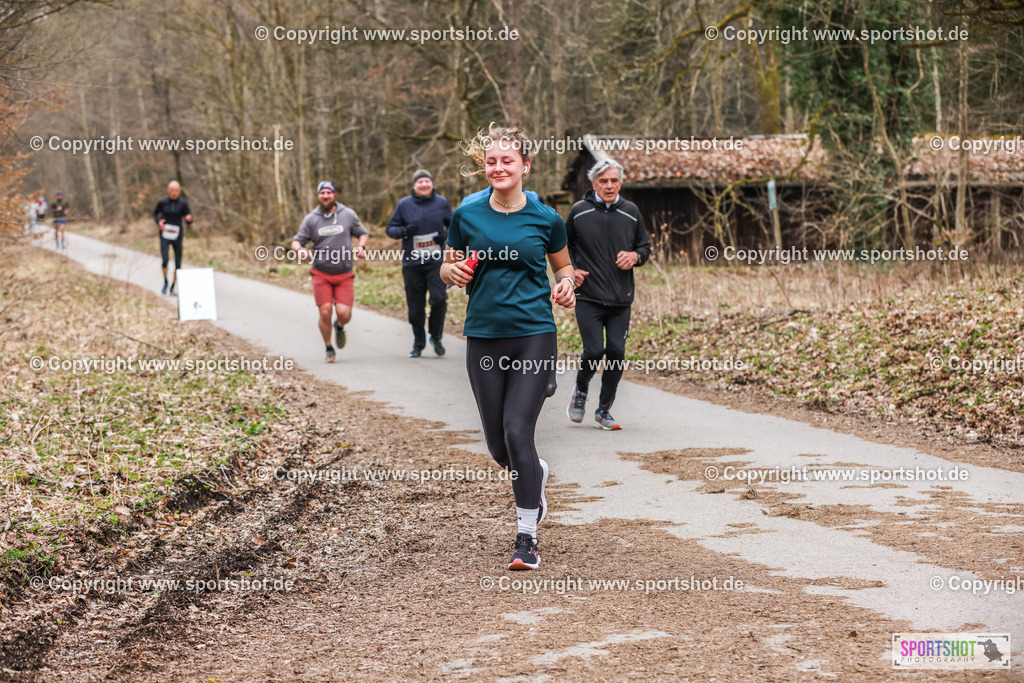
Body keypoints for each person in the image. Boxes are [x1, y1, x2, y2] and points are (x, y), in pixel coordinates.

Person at [441, 124, 576, 571]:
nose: (498, 167)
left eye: (507, 160)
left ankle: (527, 537)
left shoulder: (546, 218)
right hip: (483, 335)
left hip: (533, 334)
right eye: (491, 161)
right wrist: (451, 273)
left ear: (525, 166)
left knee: (518, 432)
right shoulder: (467, 214)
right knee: (501, 448)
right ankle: (535, 472)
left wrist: (567, 286)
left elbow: (564, 268)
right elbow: (448, 265)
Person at [565, 159, 651, 430]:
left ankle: (603, 410)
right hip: (587, 296)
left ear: (620, 183)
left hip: (620, 299)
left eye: (614, 180)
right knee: (593, 351)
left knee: (616, 352)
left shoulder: (631, 212)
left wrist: (635, 256)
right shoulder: (579, 211)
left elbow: (645, 247)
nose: (609, 185)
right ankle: (580, 390)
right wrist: (572, 270)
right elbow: (563, 246)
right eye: (603, 181)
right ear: (594, 184)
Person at [291, 180, 369, 363]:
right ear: (318, 196)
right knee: (325, 312)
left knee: (344, 314)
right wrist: (300, 250)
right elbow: (296, 241)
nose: (325, 196)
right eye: (322, 193)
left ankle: (339, 326)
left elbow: (362, 233)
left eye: (328, 192)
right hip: (321, 273)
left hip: (344, 273)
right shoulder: (311, 219)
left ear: (334, 195)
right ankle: (329, 348)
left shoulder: (347, 214)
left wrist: (361, 246)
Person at [386, 169, 453, 358]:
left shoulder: (441, 203)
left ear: (432, 183)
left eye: (427, 181)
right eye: (420, 182)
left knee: (439, 299)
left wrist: (445, 235)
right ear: (414, 185)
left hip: (436, 262)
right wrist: (405, 231)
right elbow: (390, 229)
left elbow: (455, 225)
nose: (424, 184)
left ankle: (436, 336)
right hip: (412, 264)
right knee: (416, 308)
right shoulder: (404, 205)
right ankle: (418, 342)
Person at [153, 181, 193, 295]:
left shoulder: (183, 204)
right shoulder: (162, 202)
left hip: (177, 236)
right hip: (165, 235)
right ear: (168, 190)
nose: (174, 192)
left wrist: (189, 219)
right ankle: (165, 281)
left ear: (179, 191)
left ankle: (173, 286)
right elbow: (155, 214)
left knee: (178, 262)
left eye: (176, 190)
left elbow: (189, 218)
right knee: (165, 259)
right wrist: (159, 222)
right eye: (172, 190)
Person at [460, 186, 540, 208]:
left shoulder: (533, 198)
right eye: (491, 162)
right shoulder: (470, 202)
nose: (498, 168)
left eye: (507, 162)